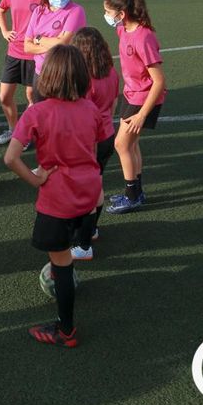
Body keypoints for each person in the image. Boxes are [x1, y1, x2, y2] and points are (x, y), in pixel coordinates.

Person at [4, 45, 107, 348]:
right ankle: (79, 249)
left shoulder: (37, 112)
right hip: (89, 196)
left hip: (58, 201)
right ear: (82, 76)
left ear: (46, 76)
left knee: (61, 265)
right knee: (70, 250)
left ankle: (66, 331)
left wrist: (36, 179)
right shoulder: (91, 109)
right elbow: (98, 148)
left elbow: (10, 158)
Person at [103, 0, 167, 214]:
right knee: (131, 144)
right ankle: (137, 192)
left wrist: (142, 115)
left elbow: (159, 81)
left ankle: (132, 197)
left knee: (121, 144)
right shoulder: (122, 30)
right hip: (131, 95)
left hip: (143, 98)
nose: (106, 16)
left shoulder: (144, 37)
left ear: (122, 13)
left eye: (108, 12)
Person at [69, 27, 119, 260]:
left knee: (84, 191)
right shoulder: (111, 72)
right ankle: (92, 229)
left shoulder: (86, 80)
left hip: (90, 141)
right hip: (107, 136)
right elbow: (114, 104)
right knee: (96, 184)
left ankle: (83, 244)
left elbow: (83, 116)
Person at [0, 0, 42, 144]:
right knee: (4, 96)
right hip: (14, 52)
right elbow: (0, 10)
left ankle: (25, 135)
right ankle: (13, 130)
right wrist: (5, 31)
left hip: (33, 54)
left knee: (32, 97)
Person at [23, 0, 86, 103]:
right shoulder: (39, 11)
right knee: (41, 112)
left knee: (63, 113)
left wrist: (38, 39)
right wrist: (54, 44)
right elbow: (27, 47)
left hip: (64, 74)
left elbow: (63, 43)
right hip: (40, 73)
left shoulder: (75, 11)